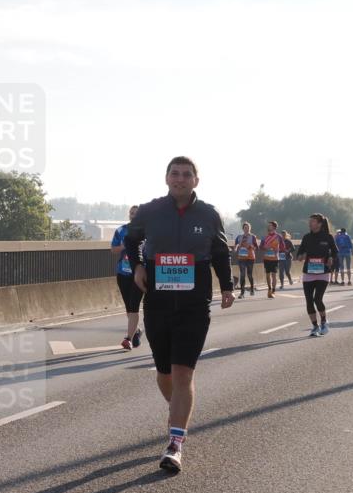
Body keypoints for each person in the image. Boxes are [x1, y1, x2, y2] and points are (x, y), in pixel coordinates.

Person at [124, 156, 234, 473]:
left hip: (194, 303)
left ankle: (175, 443)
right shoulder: (150, 210)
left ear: (196, 181)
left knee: (184, 372)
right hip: (158, 300)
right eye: (175, 174)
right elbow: (131, 241)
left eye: (187, 174)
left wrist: (227, 286)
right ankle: (177, 413)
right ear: (167, 178)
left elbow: (219, 252)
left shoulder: (209, 214)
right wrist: (139, 266)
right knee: (165, 373)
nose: (180, 179)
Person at [295, 213, 338, 337]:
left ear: (319, 223)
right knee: (309, 301)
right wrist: (301, 256)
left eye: (313, 221)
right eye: (310, 221)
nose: (310, 223)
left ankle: (324, 322)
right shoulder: (306, 237)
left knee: (317, 299)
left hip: (323, 272)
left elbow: (335, 252)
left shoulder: (328, 237)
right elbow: (299, 255)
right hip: (308, 272)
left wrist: (330, 257)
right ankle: (315, 326)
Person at [110, 205, 144, 350]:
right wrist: (125, 245)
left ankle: (128, 338)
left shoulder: (147, 231)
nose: (133, 215)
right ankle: (136, 331)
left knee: (134, 307)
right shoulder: (121, 230)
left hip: (139, 274)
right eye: (131, 213)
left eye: (136, 213)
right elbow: (113, 249)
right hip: (123, 274)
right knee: (129, 308)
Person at [259, 220, 286, 298]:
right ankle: (269, 289)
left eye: (270, 225)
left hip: (274, 259)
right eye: (268, 225)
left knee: (273, 275)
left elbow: (283, 247)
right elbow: (260, 247)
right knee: (267, 275)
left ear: (274, 227)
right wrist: (264, 247)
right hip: (266, 258)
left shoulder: (278, 236)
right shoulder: (264, 237)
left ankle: (273, 291)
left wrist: (277, 249)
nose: (268, 226)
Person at [233, 222, 259, 298]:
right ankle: (242, 293)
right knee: (242, 274)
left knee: (249, 274)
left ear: (250, 228)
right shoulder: (239, 237)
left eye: (248, 228)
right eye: (245, 228)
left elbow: (257, 248)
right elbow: (236, 245)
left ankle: (251, 289)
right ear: (243, 229)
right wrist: (235, 248)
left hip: (250, 258)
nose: (246, 229)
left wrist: (251, 246)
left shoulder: (253, 237)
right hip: (241, 258)